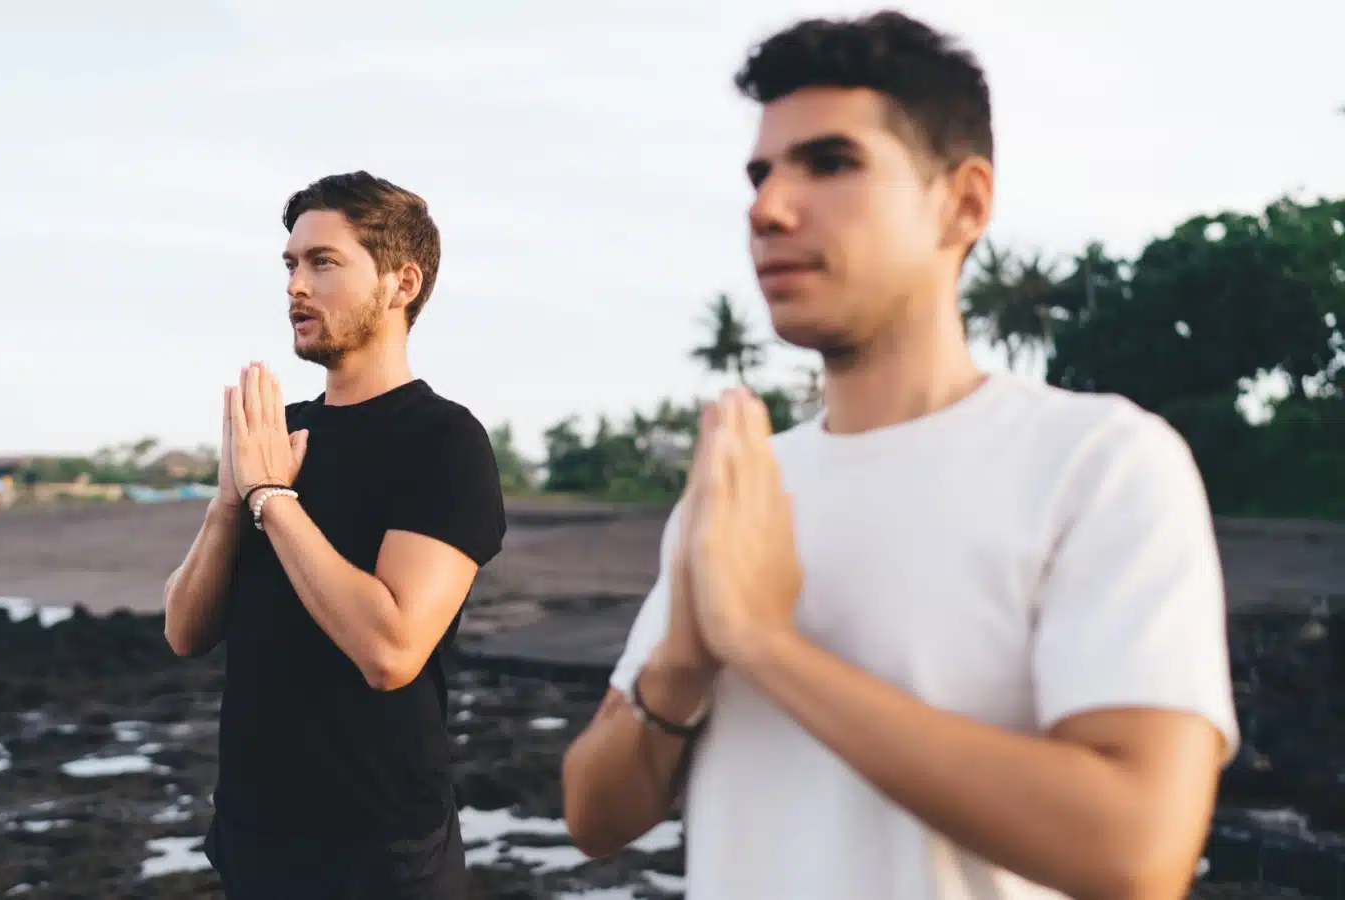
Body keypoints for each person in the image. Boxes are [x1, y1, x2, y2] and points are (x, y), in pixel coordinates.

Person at [561, 11, 1237, 900]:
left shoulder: (1099, 463)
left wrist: (764, 644)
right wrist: (685, 661)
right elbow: (594, 816)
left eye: (831, 163)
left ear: (964, 201)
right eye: (760, 173)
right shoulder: (745, 487)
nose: (767, 207)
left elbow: (1136, 851)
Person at [163, 171, 506, 900]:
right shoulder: (278, 434)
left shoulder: (442, 440)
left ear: (401, 282)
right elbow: (185, 631)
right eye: (290, 264)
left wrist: (272, 500)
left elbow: (391, 651)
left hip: (380, 854)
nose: (295, 286)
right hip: (253, 839)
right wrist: (230, 502)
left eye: (323, 262)